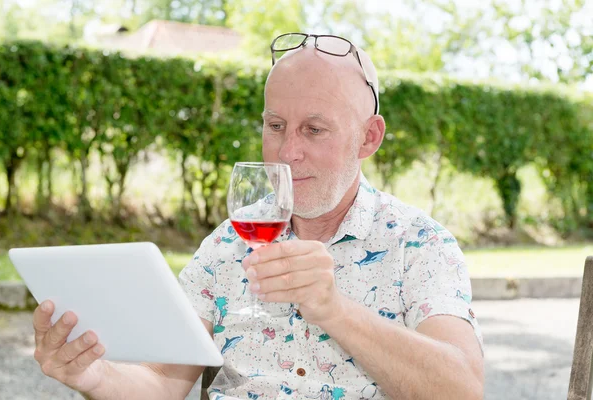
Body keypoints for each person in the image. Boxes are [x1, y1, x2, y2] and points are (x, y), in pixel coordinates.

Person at [31, 33, 484, 400]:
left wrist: (336, 311)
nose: (287, 152)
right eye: (275, 126)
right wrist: (91, 376)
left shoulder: (420, 244)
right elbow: (160, 383)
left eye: (314, 129)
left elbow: (462, 390)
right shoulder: (229, 242)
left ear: (369, 138)